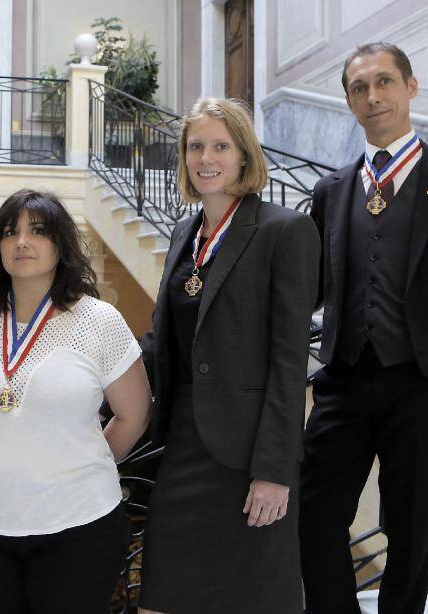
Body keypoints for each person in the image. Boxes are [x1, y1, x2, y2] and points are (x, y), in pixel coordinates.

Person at [300, 43, 428, 614]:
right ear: (348, 100)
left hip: (427, 385)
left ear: (411, 88)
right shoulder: (332, 190)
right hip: (344, 380)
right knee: (313, 516)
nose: (374, 97)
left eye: (384, 82)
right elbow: (308, 288)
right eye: (360, 88)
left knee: (412, 530)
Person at [137, 98, 320, 614]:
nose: (206, 157)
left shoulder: (284, 231)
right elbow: (160, 341)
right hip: (183, 444)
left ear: (244, 156)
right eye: (195, 146)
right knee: (164, 593)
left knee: (253, 596)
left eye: (221, 145)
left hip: (249, 453)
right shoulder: (182, 233)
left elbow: (289, 361)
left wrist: (275, 470)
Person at [0, 189, 151, 614]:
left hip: (79, 526)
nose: (21, 242)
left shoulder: (98, 320)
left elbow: (134, 414)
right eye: (9, 232)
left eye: (37, 231)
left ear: (61, 244)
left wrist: (77, 462)